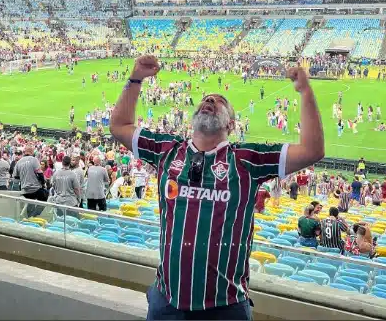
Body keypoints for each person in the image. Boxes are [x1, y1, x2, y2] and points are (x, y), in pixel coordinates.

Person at [109, 55, 324, 320]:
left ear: (231, 125)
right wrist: (135, 78)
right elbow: (119, 126)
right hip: (166, 302)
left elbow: (313, 150)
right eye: (206, 99)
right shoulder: (167, 150)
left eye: (219, 101)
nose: (210, 100)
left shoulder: (247, 159)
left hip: (225, 307)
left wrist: (305, 91)